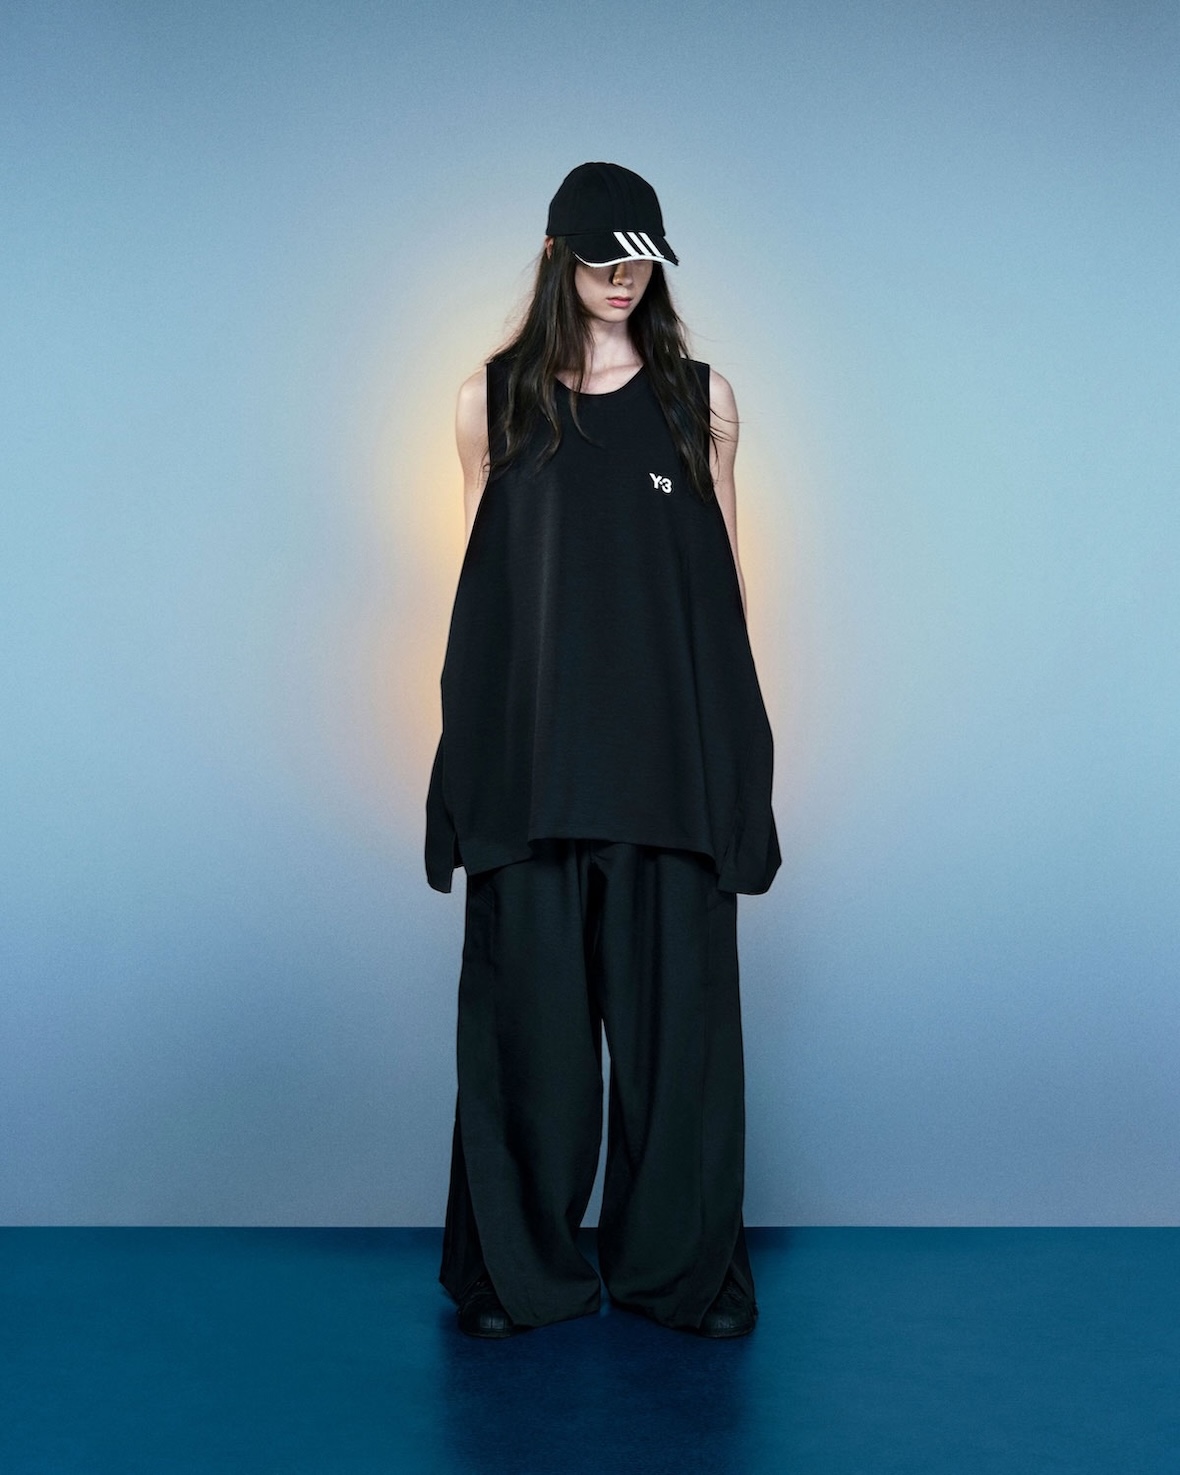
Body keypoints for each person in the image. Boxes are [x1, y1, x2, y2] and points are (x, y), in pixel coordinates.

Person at [425, 162, 781, 1339]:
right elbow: (481, 606)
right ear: (555, 258)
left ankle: (684, 1273)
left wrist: (741, 769)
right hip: (530, 771)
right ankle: (512, 1273)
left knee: (681, 1046)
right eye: (601, 258)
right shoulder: (489, 402)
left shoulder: (701, 400)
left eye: (641, 260)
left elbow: (725, 598)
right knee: (526, 1045)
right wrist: (459, 772)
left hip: (668, 768)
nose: (624, 279)